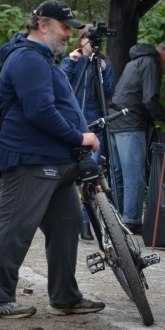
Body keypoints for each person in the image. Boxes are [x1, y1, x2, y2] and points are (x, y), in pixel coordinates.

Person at [0, 0, 104, 319]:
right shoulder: (28, 59)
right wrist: (78, 137)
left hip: (56, 161)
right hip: (29, 159)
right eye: (64, 28)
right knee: (16, 228)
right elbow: (40, 112)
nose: (67, 34)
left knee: (67, 224)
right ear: (42, 25)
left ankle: (65, 296)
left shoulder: (44, 60)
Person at [109, 41, 165, 234]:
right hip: (131, 123)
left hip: (114, 120)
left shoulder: (133, 62)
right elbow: (149, 98)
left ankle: (115, 218)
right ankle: (131, 220)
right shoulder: (151, 63)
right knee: (134, 175)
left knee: (117, 174)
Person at [60, 32, 115, 240]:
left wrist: (103, 71)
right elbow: (62, 85)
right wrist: (72, 63)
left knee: (90, 174)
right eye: (87, 40)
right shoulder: (72, 61)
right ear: (81, 41)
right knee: (70, 175)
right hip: (71, 126)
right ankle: (76, 219)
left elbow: (109, 92)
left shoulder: (104, 64)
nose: (90, 45)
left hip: (94, 126)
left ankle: (87, 221)